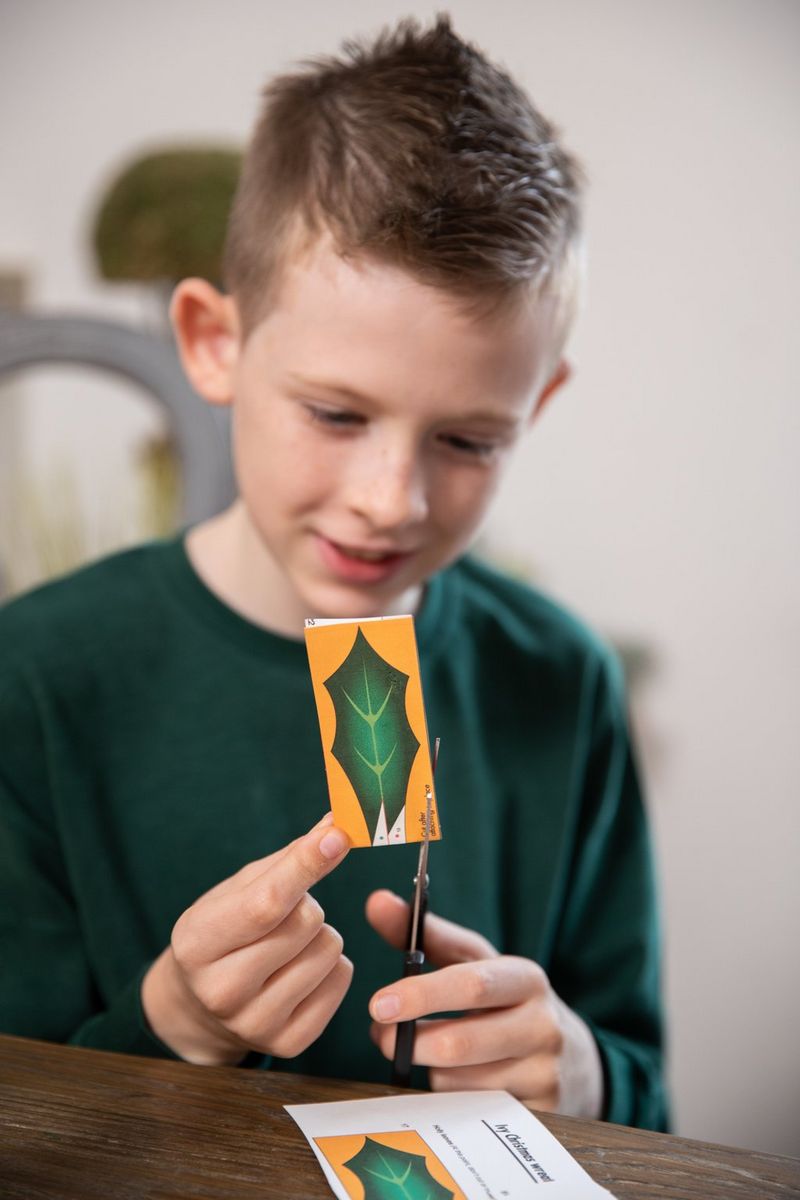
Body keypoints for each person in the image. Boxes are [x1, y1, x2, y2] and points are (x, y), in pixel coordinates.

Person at [0, 16, 667, 1129]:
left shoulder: (559, 682)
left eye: (466, 440)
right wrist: (170, 1023)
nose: (389, 500)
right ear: (213, 342)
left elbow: (648, 1092)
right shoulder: (37, 680)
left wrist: (587, 1073)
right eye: (335, 413)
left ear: (534, 406)